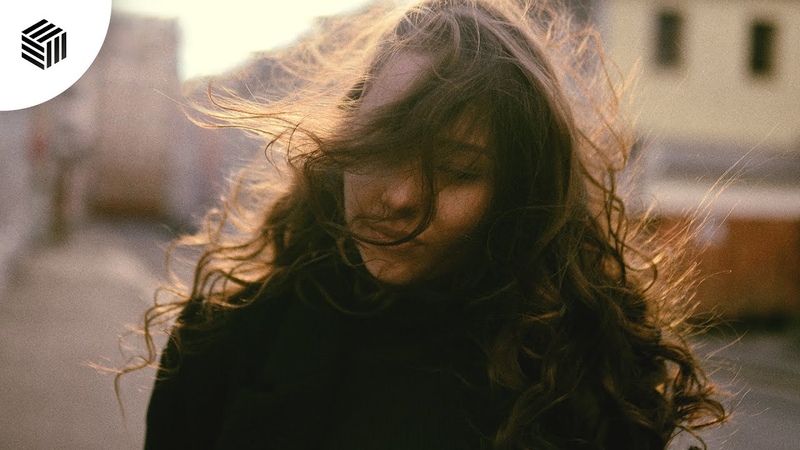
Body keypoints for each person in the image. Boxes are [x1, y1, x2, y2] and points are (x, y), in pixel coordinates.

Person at [129, 0, 728, 448]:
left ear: (519, 198)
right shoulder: (225, 341)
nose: (400, 196)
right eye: (382, 146)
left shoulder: (582, 384)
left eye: (457, 171)